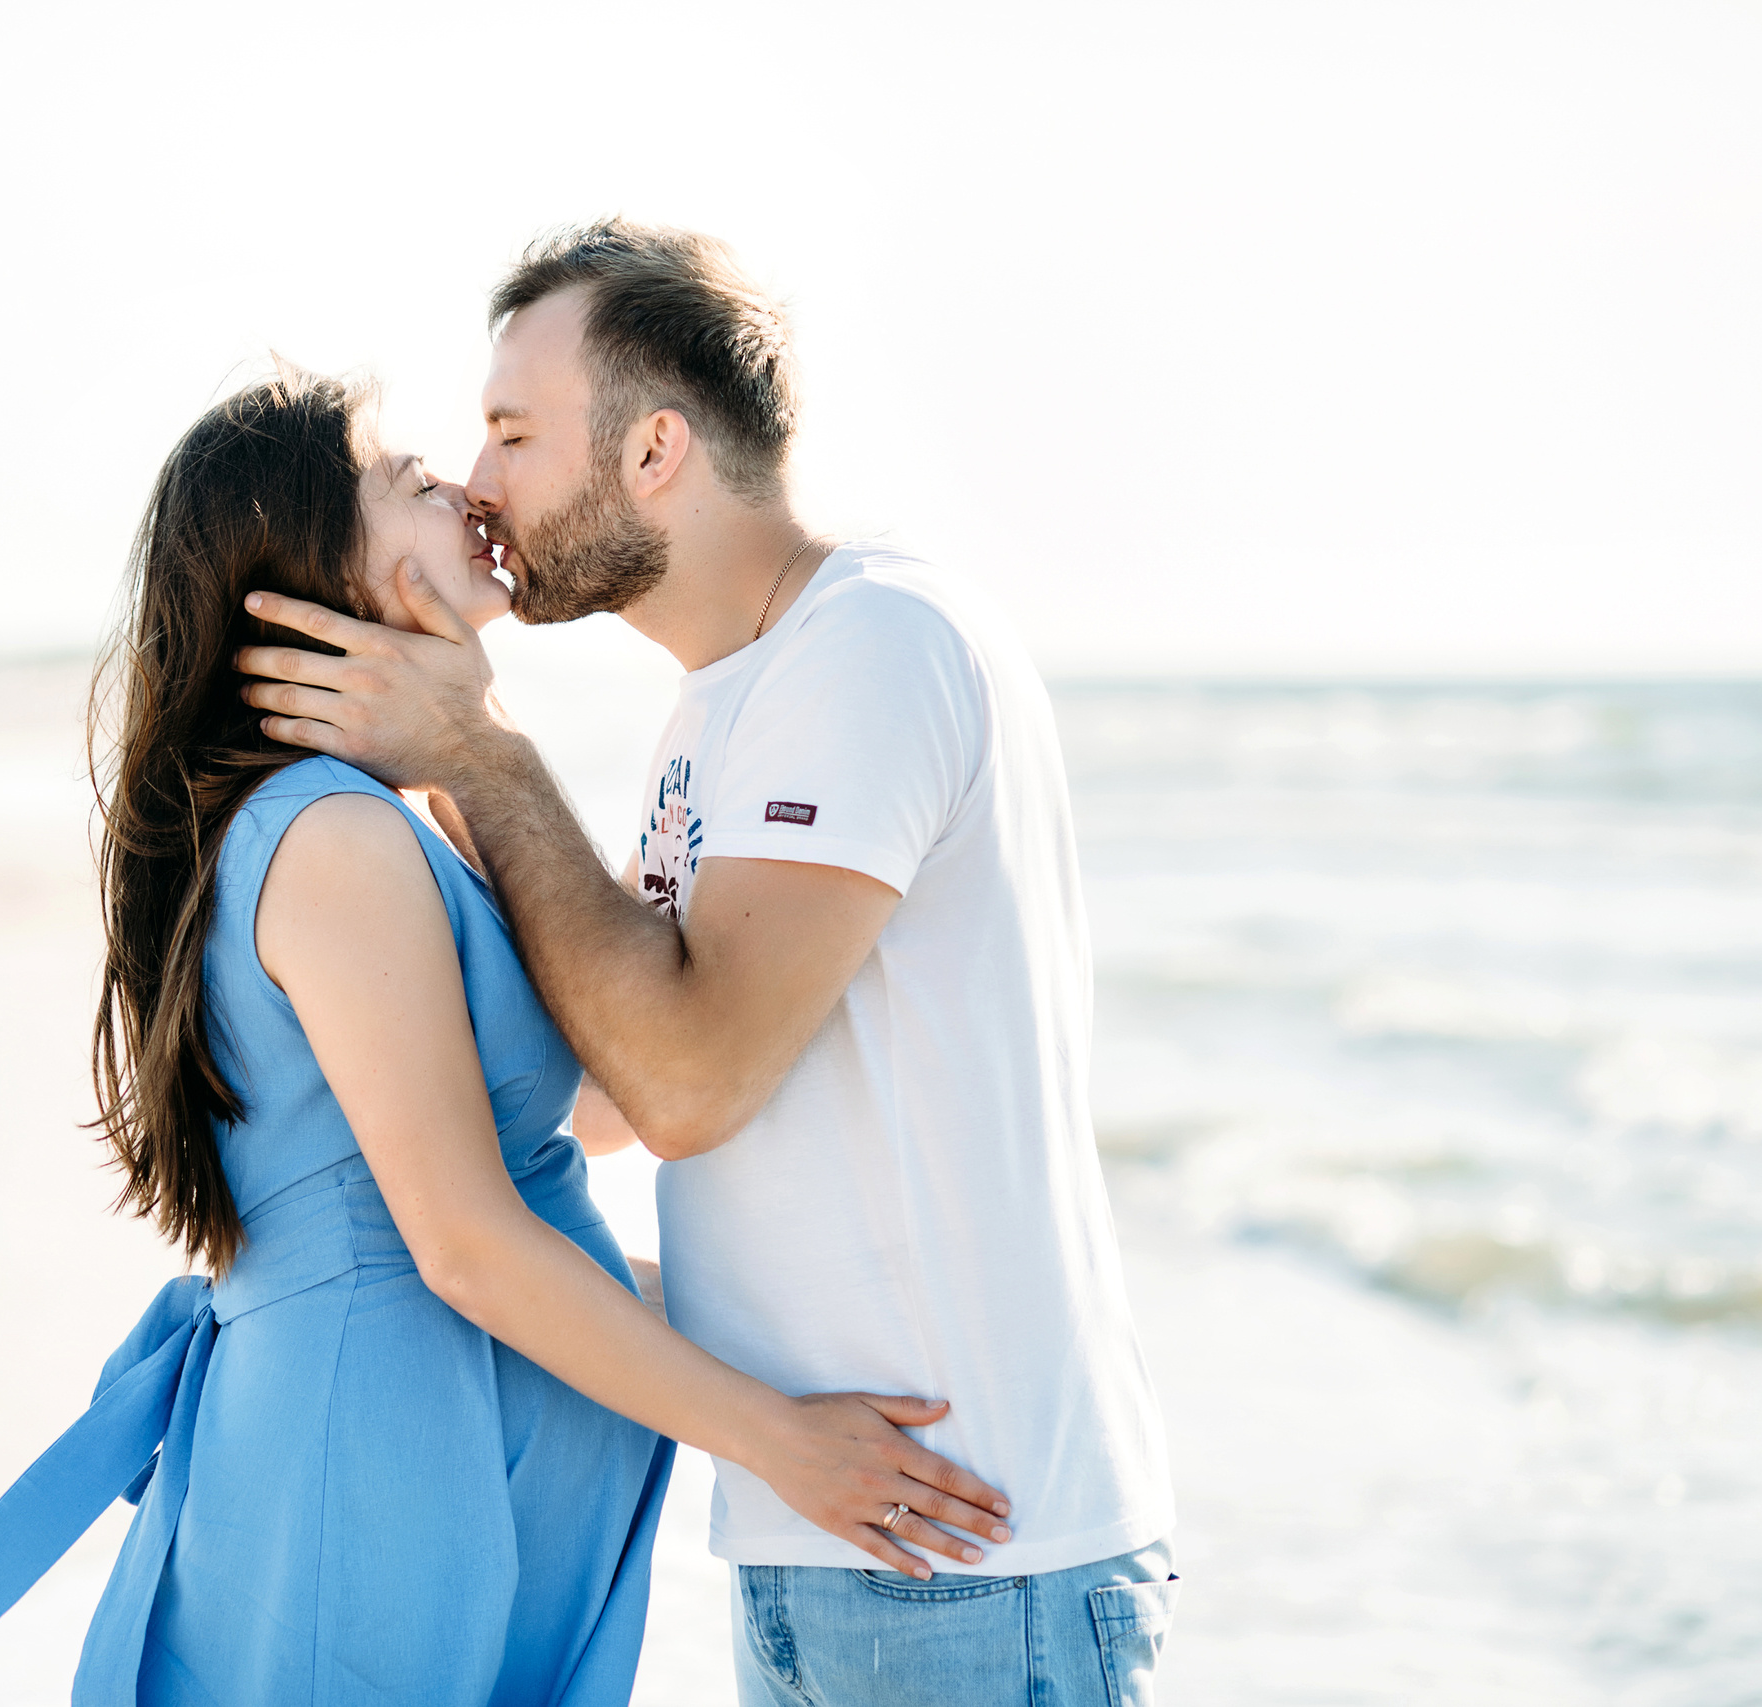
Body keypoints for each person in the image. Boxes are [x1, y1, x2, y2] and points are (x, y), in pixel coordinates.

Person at [0, 368, 1011, 1707]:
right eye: (405, 480)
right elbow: (465, 1242)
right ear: (311, 574)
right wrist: (777, 1440)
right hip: (376, 1493)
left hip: (457, 1474)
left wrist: (470, 744)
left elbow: (606, 1093)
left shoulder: (399, 819)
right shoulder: (337, 840)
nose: (463, 488)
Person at [236, 222, 1180, 1706]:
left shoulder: (873, 645)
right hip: (840, 1516)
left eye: (513, 432)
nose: (480, 484)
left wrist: (480, 754)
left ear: (655, 449)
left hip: (966, 1540)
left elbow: (681, 1086)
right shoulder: (727, 701)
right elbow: (609, 1076)